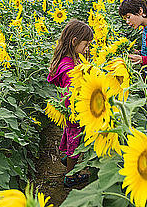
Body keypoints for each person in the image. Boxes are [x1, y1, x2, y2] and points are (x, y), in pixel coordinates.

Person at [47, 19, 93, 187]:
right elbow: (73, 92)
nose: (87, 49)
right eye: (86, 45)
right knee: (76, 141)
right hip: (75, 110)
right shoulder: (69, 68)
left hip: (70, 109)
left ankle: (67, 158)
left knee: (70, 134)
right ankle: (70, 175)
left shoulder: (68, 59)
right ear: (74, 41)